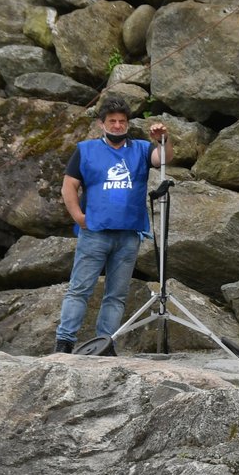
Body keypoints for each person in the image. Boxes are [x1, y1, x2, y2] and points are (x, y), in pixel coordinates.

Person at [54, 103, 167, 354]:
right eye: (112, 121)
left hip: (129, 234)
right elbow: (68, 186)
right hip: (95, 232)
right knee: (79, 289)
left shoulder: (140, 148)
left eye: (122, 121)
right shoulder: (86, 150)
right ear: (101, 124)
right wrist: (78, 216)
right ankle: (64, 343)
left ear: (127, 123)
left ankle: (105, 343)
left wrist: (162, 140)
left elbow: (163, 159)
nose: (118, 125)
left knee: (116, 295)